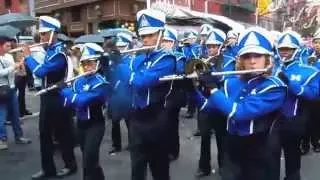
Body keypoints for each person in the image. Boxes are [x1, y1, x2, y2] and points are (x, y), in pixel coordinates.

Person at [190, 27, 287, 180]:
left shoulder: (275, 87)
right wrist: (192, 89)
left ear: (267, 59)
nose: (252, 61)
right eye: (247, 56)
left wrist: (213, 89)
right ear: (241, 60)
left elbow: (240, 113)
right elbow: (208, 108)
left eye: (258, 56)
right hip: (232, 149)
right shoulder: (231, 83)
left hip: (260, 151)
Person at [121, 9, 176, 180]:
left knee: (159, 167)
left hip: (156, 118)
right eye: (143, 36)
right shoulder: (138, 57)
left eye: (150, 35)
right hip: (136, 118)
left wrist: (125, 70)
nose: (145, 39)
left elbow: (141, 81)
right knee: (137, 166)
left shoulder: (167, 59)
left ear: (160, 34)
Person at [22, 16, 77, 179]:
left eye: (45, 34)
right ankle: (48, 169)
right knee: (44, 134)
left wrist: (28, 57)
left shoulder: (59, 53)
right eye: (42, 34)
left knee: (63, 134)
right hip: (48, 97)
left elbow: (40, 71)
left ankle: (70, 165)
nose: (42, 37)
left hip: (59, 97)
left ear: (54, 34)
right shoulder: (50, 51)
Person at [272, 30, 320, 180]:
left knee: (292, 157)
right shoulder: (271, 67)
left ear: (296, 49)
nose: (284, 52)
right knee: (270, 158)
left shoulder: (309, 71)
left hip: (292, 120)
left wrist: (289, 82)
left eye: (288, 49)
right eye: (281, 49)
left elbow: (313, 94)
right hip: (270, 121)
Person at [61, 43, 109, 180]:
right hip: (80, 124)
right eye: (85, 64)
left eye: (91, 63)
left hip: (95, 125)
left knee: (89, 160)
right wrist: (69, 94)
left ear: (98, 64)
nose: (87, 67)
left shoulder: (101, 83)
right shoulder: (78, 81)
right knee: (90, 161)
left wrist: (65, 90)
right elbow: (68, 103)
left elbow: (81, 101)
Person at [195, 28, 227, 177]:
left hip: (220, 106)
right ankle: (204, 167)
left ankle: (224, 165)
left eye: (214, 46)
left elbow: (226, 83)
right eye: (209, 46)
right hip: (205, 105)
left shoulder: (229, 62)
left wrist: (211, 77)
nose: (211, 49)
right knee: (205, 137)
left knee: (222, 138)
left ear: (221, 46)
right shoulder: (202, 61)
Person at [0, 36, 31, 150]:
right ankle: (2, 139)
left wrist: (19, 66)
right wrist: (13, 67)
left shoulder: (8, 56)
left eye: (10, 46)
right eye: (7, 46)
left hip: (12, 89)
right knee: (1, 117)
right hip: (1, 91)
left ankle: (19, 136)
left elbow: (13, 73)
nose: (9, 48)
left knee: (15, 115)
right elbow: (1, 73)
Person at [161, 26, 186, 161]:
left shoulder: (179, 56)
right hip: (161, 96)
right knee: (161, 125)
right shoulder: (158, 56)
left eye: (168, 41)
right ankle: (163, 149)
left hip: (173, 95)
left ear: (174, 43)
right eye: (163, 40)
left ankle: (173, 151)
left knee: (171, 125)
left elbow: (180, 70)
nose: (165, 43)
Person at [108, 32, 133, 155]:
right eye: (119, 46)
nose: (121, 49)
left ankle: (132, 142)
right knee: (114, 122)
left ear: (128, 46)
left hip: (127, 95)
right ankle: (116, 145)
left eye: (123, 46)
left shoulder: (130, 60)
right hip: (115, 95)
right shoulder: (113, 58)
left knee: (130, 121)